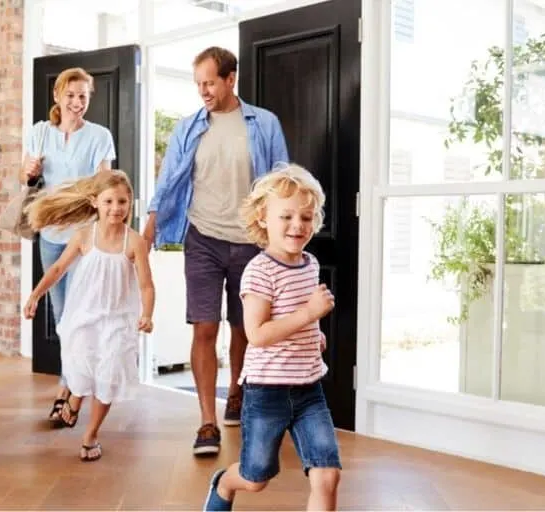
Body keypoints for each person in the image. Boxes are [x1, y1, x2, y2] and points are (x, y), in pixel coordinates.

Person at [143, 46, 290, 456]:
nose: (203, 91)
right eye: (198, 84)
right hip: (203, 237)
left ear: (231, 78)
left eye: (209, 82)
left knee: (245, 328)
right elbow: (169, 180)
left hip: (251, 243)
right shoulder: (189, 127)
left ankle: (237, 393)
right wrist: (149, 228)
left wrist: (283, 236)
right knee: (204, 327)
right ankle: (207, 421)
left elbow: (281, 181)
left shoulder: (264, 124)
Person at [202, 165, 341, 511]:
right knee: (255, 477)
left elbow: (297, 316)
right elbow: (257, 334)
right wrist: (309, 314)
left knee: (328, 475)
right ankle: (224, 483)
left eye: (306, 217)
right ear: (263, 217)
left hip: (309, 390)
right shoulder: (260, 271)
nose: (298, 225)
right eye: (287, 216)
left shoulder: (309, 264)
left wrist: (314, 334)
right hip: (267, 392)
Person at [22, 170, 155, 462]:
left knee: (108, 378)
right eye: (108, 201)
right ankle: (74, 401)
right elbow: (57, 269)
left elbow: (146, 285)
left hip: (118, 320)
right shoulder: (85, 236)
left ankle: (90, 434)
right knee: (81, 366)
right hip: (84, 316)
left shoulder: (134, 242)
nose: (116, 208)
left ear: (130, 203)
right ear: (95, 202)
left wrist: (147, 314)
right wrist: (35, 294)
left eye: (122, 201)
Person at [21, 67, 117, 426]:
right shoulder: (39, 132)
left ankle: (68, 389)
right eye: (71, 96)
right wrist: (29, 171)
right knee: (63, 319)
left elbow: (104, 184)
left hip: (82, 239)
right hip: (49, 236)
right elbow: (25, 177)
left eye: (83, 97)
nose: (77, 103)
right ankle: (74, 382)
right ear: (58, 97)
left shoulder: (99, 136)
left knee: (80, 316)